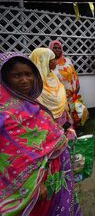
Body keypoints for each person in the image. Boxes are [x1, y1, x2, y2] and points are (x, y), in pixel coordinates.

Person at [0, 52, 81, 215]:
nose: (24, 80)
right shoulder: (5, 115)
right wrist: (33, 185)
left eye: (28, 74)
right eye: (17, 75)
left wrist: (63, 135)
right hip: (36, 185)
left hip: (56, 173)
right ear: (4, 78)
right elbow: (10, 158)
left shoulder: (30, 103)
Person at [29, 48, 72, 129]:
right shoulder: (35, 84)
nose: (55, 61)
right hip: (48, 122)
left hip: (62, 116)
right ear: (44, 62)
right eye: (53, 59)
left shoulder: (52, 76)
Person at [49, 40, 87, 128]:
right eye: (55, 48)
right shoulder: (50, 64)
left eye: (59, 48)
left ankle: (77, 128)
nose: (57, 50)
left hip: (74, 92)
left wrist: (78, 85)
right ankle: (69, 131)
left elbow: (74, 73)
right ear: (50, 49)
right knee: (66, 114)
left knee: (75, 111)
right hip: (62, 95)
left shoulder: (67, 60)